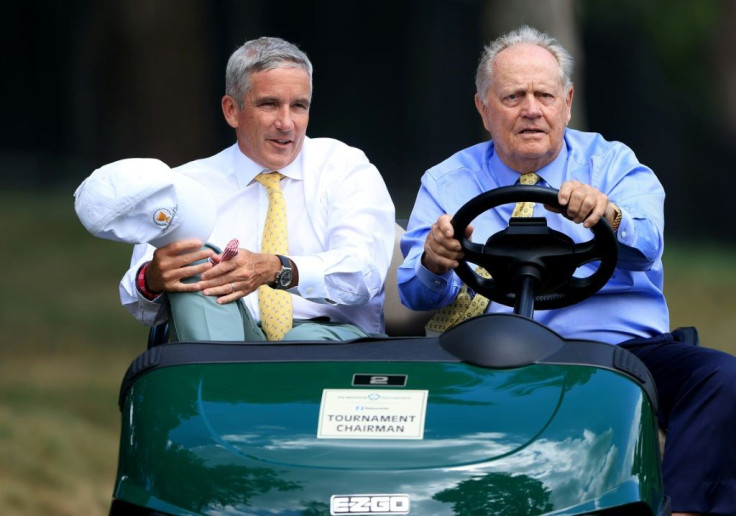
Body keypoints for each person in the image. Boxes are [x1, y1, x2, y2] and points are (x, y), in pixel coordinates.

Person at [398, 25, 735, 516]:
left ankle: (683, 510)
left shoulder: (614, 164)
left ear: (568, 102)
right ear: (483, 107)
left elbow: (648, 244)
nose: (531, 109)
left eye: (544, 94)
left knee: (722, 377)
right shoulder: (447, 181)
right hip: (488, 350)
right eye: (513, 95)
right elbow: (415, 294)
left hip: (619, 354)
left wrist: (609, 214)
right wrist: (435, 257)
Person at [120, 36, 395, 342]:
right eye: (270, 104)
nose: (287, 123)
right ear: (231, 111)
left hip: (330, 337)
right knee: (193, 262)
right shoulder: (185, 186)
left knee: (297, 346)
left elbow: (364, 274)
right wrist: (153, 279)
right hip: (225, 338)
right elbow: (138, 299)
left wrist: (277, 268)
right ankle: (225, 378)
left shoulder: (346, 168)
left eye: (299, 106)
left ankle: (229, 383)